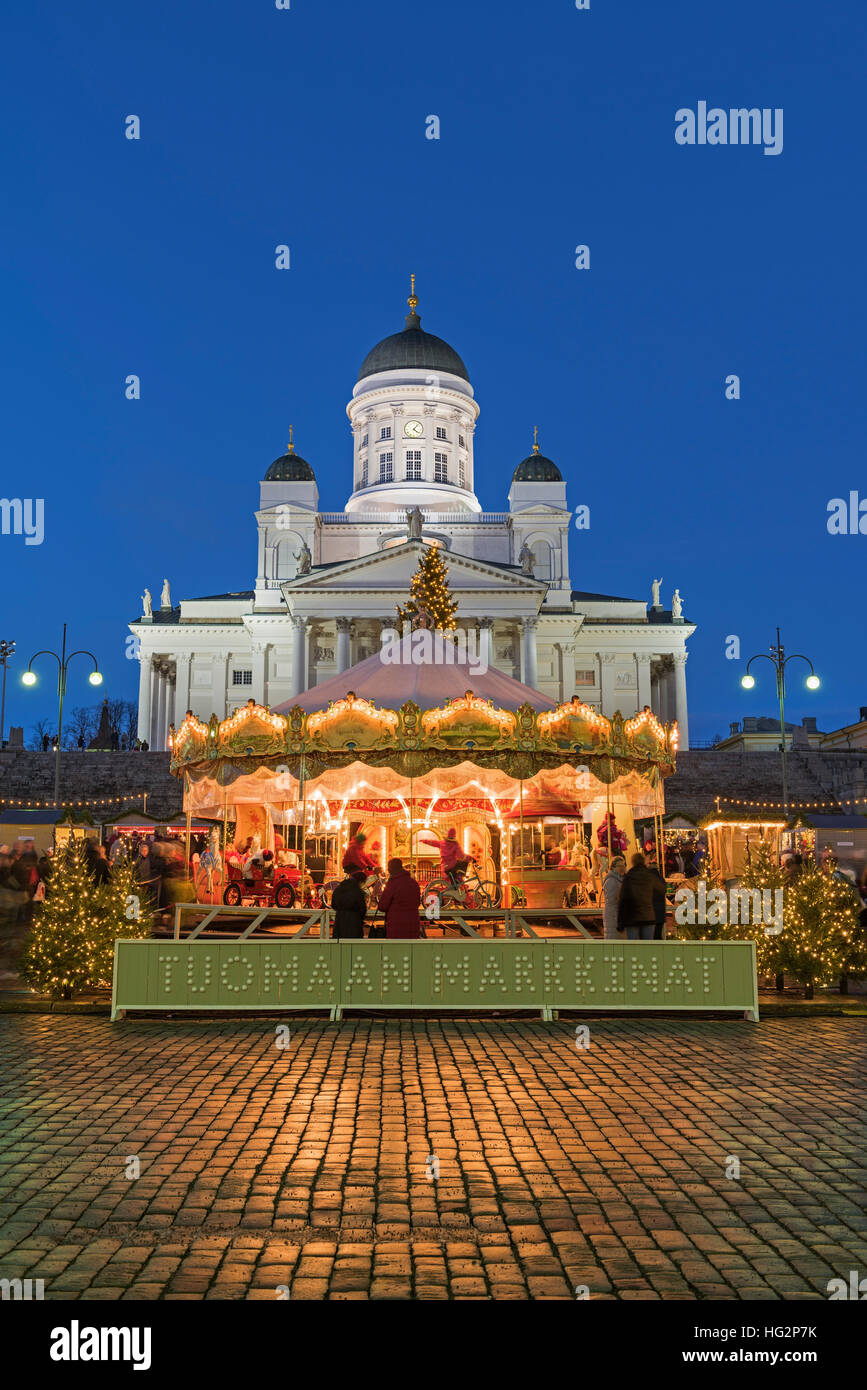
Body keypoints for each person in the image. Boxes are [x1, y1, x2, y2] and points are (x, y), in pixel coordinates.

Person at [617, 851, 666, 941]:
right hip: (648, 915)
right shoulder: (649, 875)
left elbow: (622, 899)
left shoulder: (629, 876)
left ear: (633, 862)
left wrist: (620, 921)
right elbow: (662, 889)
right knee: (647, 946)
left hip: (632, 916)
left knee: (633, 948)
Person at [377, 857, 422, 939]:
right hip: (413, 923)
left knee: (395, 949)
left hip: (396, 924)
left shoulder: (392, 883)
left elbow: (383, 906)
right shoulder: (413, 883)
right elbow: (417, 902)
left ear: (391, 869)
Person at [331, 868, 368, 940]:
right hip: (354, 922)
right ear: (360, 881)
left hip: (340, 921)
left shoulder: (339, 888)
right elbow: (362, 909)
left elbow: (333, 904)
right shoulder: (358, 891)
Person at [601, 855, 626, 939]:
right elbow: (611, 900)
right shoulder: (611, 880)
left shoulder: (619, 879)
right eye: (620, 866)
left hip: (617, 913)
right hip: (613, 914)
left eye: (623, 865)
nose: (622, 868)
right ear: (613, 867)